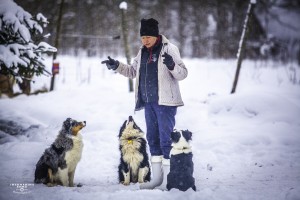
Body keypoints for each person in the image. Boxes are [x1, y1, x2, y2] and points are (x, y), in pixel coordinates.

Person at [101, 18, 188, 190]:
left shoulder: (170, 49)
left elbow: (183, 73)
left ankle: (168, 180)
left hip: (166, 103)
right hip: (148, 103)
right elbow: (133, 72)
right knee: (152, 139)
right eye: (142, 37)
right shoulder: (142, 52)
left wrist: (171, 65)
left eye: (148, 37)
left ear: (156, 36)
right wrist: (116, 65)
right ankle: (157, 179)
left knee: (165, 140)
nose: (145, 40)